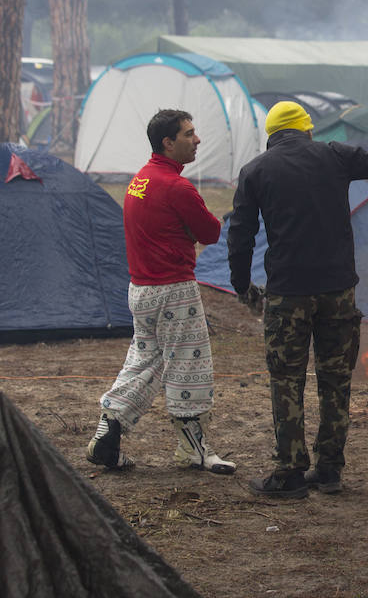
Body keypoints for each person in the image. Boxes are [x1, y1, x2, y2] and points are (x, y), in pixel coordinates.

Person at [228, 101, 368, 498]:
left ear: (271, 135)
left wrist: (240, 284)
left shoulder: (256, 171)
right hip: (338, 291)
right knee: (335, 381)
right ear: (307, 129)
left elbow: (240, 234)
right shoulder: (333, 156)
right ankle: (330, 469)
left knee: (287, 380)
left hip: (288, 295)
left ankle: (290, 473)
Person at [86, 109, 235, 475]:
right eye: (189, 133)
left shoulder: (139, 181)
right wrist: (187, 232)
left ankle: (109, 427)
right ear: (168, 143)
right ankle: (194, 451)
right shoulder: (177, 187)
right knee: (189, 367)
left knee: (144, 362)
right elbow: (212, 233)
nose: (197, 139)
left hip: (141, 289)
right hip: (175, 291)